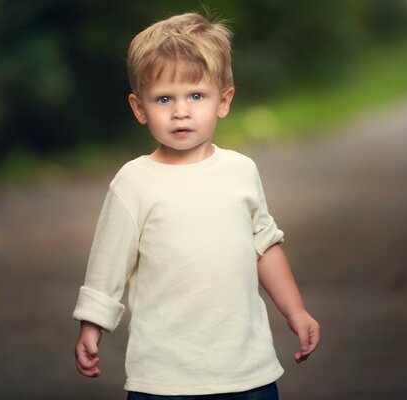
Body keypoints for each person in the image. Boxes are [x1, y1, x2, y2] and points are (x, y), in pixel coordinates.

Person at [73, 11, 320, 400]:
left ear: (224, 101)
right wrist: (92, 326)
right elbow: (108, 261)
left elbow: (264, 246)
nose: (181, 111)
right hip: (163, 377)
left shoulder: (240, 171)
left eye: (196, 96)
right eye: (164, 98)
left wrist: (296, 311)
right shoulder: (134, 183)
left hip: (246, 371)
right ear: (140, 108)